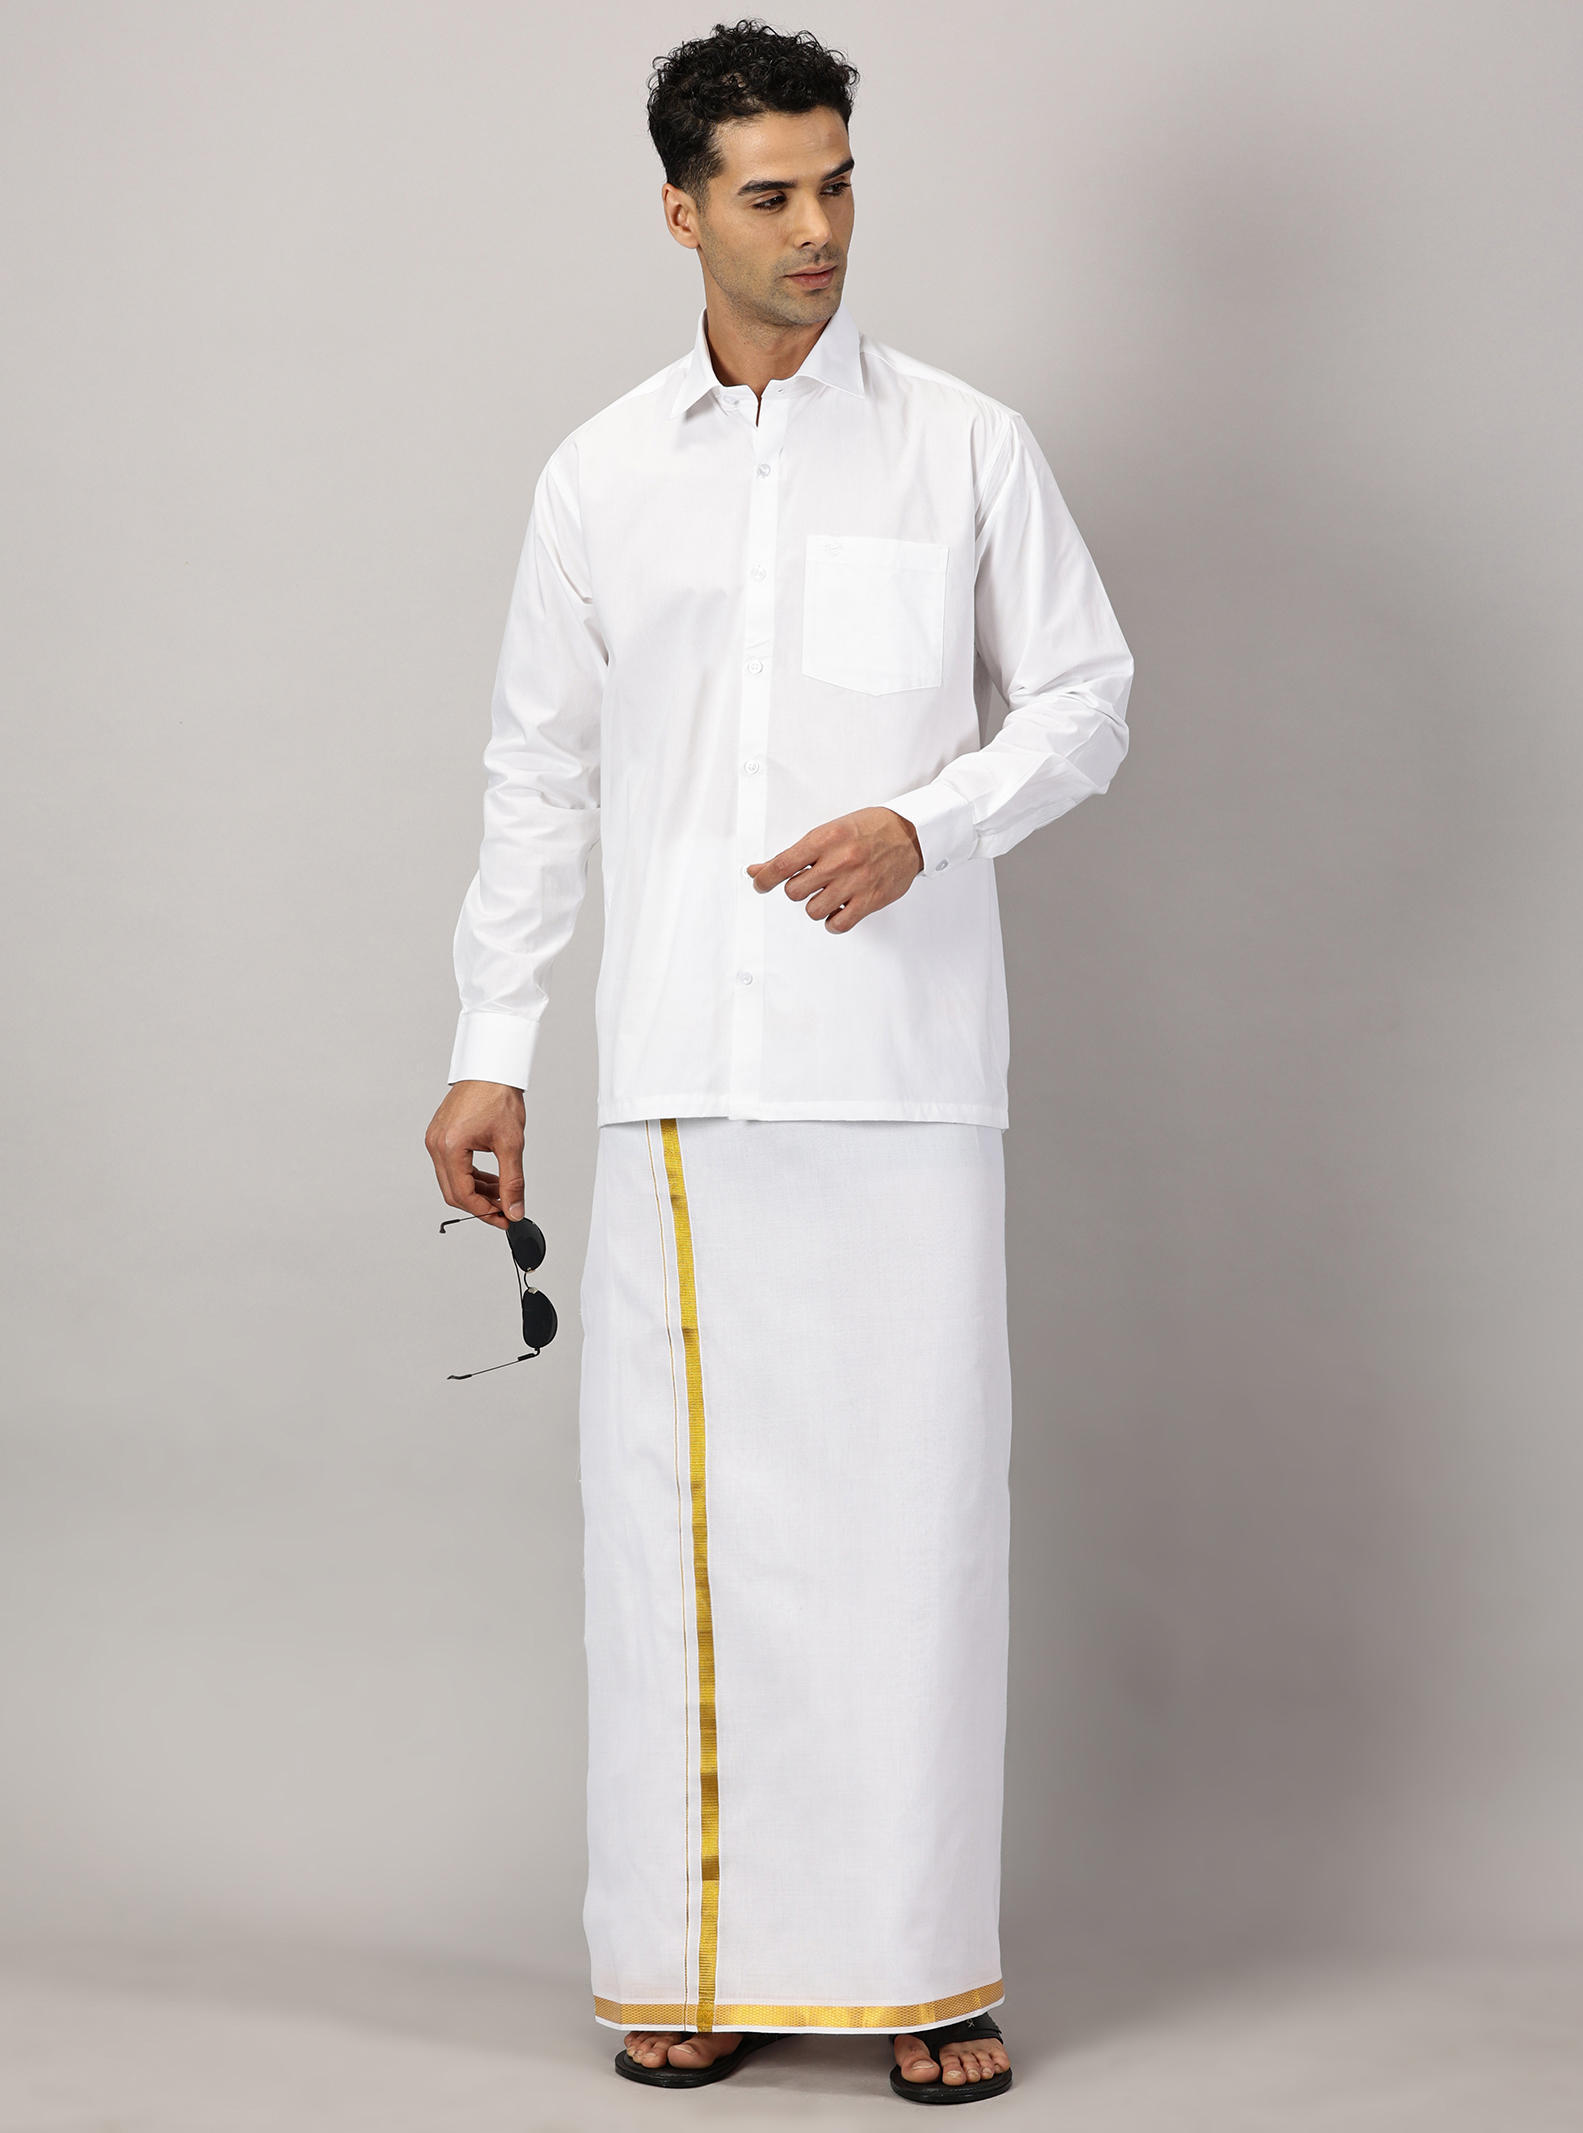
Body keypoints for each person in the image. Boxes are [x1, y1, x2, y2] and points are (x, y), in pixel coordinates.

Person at [424, 18, 1132, 2105]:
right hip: (681, 1079)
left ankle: (919, 1970)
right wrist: (489, 1045)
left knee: (915, 1532)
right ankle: (692, 1954)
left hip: (905, 1074)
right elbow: (536, 776)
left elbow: (1083, 697)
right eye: (768, 193)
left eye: (835, 184)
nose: (815, 228)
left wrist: (930, 818)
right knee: (681, 1539)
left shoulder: (962, 446)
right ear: (680, 211)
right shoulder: (597, 476)